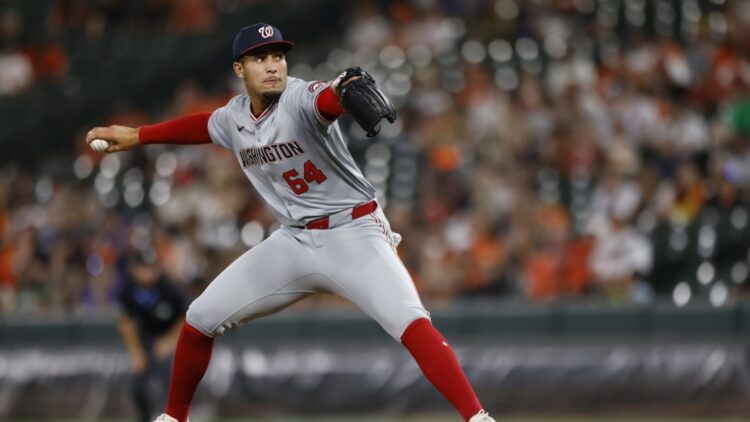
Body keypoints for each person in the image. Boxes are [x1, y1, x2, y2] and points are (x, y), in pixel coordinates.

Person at [87, 23, 495, 422]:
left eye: (278, 56)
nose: (272, 65)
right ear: (239, 69)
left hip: (353, 233)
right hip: (294, 243)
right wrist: (139, 135)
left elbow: (327, 100)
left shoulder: (299, 99)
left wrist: (342, 88)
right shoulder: (235, 117)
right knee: (199, 319)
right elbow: (200, 127)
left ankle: (477, 418)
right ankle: (174, 418)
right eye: (259, 58)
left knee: (411, 320)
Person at [117, 249, 187, 422]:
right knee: (138, 388)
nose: (148, 272)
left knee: (170, 386)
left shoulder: (169, 288)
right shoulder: (129, 289)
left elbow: (187, 317)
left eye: (151, 267)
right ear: (135, 269)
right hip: (144, 341)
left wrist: (169, 342)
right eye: (143, 267)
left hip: (168, 341)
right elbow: (125, 323)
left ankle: (175, 419)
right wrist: (135, 352)